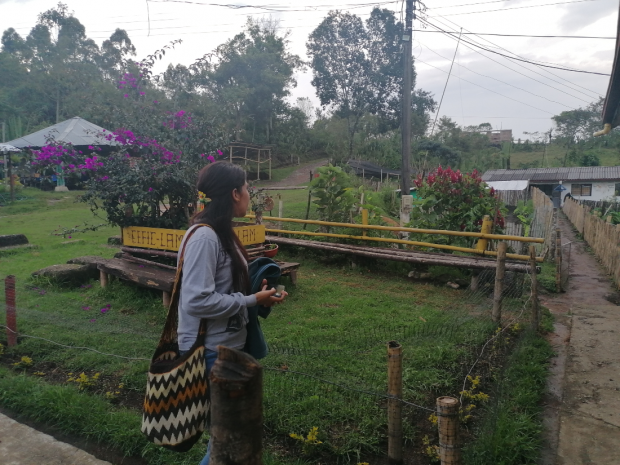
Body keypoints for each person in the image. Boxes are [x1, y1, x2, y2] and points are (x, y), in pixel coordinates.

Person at [177, 161, 287, 465]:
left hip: (226, 348)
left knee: (225, 440)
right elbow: (196, 301)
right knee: (223, 443)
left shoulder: (222, 231)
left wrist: (260, 298)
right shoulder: (205, 237)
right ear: (235, 193)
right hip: (211, 352)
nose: (249, 194)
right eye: (247, 188)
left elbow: (225, 289)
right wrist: (251, 300)